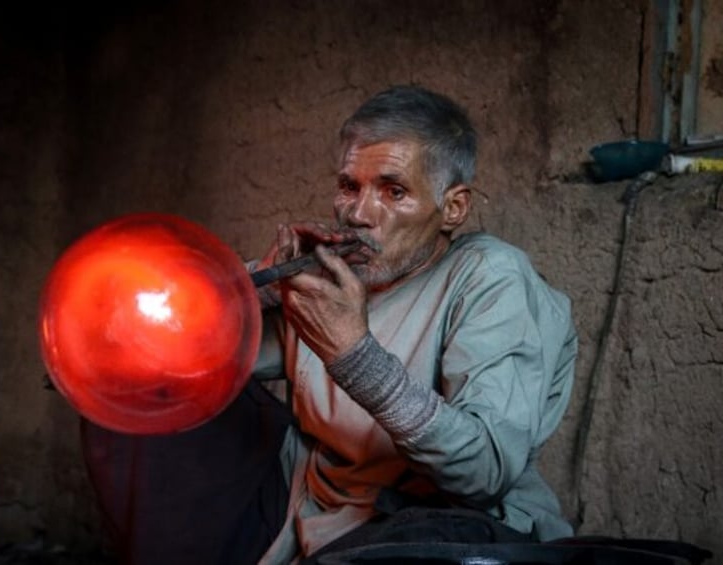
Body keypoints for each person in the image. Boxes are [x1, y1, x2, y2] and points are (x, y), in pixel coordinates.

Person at [81, 85, 577, 564]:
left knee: (438, 539)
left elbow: (484, 471)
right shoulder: (331, 285)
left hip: (424, 522)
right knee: (140, 385)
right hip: (310, 511)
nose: (359, 213)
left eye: (394, 190)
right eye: (349, 186)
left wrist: (355, 357)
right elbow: (185, 352)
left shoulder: (490, 277)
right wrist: (262, 282)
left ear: (453, 207)